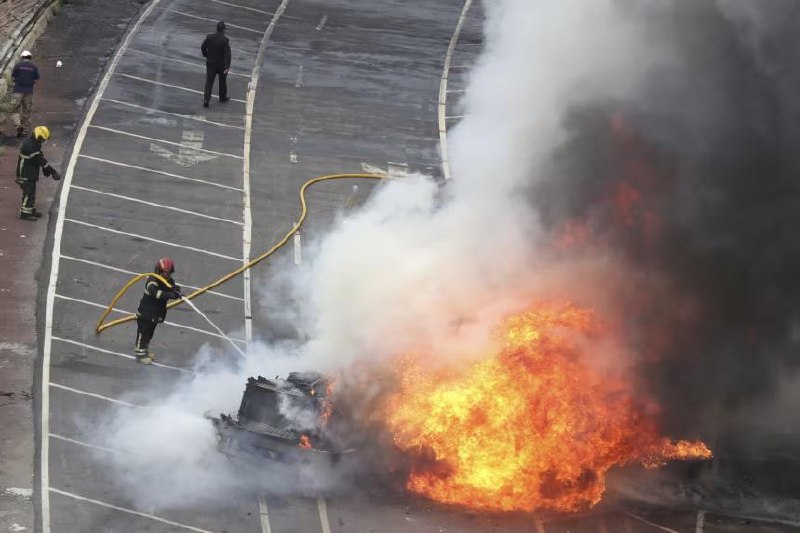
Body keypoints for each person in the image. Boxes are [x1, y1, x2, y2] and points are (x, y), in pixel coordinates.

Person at [135, 258, 182, 365]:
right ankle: (140, 354)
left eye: (169, 272)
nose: (167, 275)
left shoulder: (168, 280)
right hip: (146, 313)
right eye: (165, 272)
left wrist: (176, 290)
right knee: (143, 333)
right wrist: (171, 295)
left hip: (156, 313)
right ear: (159, 270)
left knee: (149, 334)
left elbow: (170, 287)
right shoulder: (152, 280)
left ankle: (145, 352)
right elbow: (156, 293)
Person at [15, 126, 60, 221]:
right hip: (26, 174)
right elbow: (40, 160)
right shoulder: (30, 146)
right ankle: (25, 214)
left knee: (32, 193)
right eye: (43, 139)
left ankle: (31, 210)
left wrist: (45, 169)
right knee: (28, 193)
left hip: (30, 173)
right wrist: (52, 171)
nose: (44, 141)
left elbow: (39, 155)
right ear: (39, 137)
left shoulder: (32, 143)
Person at [9, 50, 40, 138]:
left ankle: (18, 125)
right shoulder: (34, 67)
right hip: (29, 92)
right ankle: (23, 128)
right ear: (30, 57)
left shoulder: (18, 65)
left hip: (17, 91)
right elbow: (36, 80)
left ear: (22, 57)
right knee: (27, 111)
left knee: (14, 110)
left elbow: (13, 77)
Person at [200, 21, 231, 108]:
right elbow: (227, 55)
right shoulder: (225, 40)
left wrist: (206, 55)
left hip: (211, 63)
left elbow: (203, 47)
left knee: (209, 82)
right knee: (222, 82)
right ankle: (222, 97)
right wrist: (227, 67)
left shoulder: (209, 37)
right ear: (223, 30)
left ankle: (206, 99)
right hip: (221, 65)